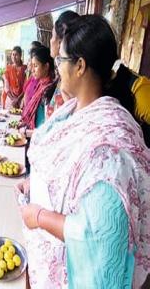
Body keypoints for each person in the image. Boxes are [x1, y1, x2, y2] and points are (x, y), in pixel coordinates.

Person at [16, 15, 150, 289]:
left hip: (73, 274)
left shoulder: (110, 148)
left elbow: (99, 235)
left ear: (79, 66)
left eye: (60, 61)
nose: (57, 68)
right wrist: (36, 183)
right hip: (45, 261)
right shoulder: (73, 110)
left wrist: (39, 217)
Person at [20, 46, 55, 130]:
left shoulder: (49, 89)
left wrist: (26, 133)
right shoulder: (40, 85)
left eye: (35, 66)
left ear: (46, 66)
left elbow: (45, 125)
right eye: (31, 65)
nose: (32, 69)